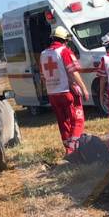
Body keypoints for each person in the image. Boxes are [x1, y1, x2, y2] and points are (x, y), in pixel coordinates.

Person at [40, 26, 89, 155]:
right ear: (64, 40)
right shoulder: (64, 51)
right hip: (67, 92)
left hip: (52, 94)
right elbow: (73, 72)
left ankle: (68, 147)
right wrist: (84, 89)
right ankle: (72, 149)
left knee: (63, 122)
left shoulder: (43, 54)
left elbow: (43, 77)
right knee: (77, 120)